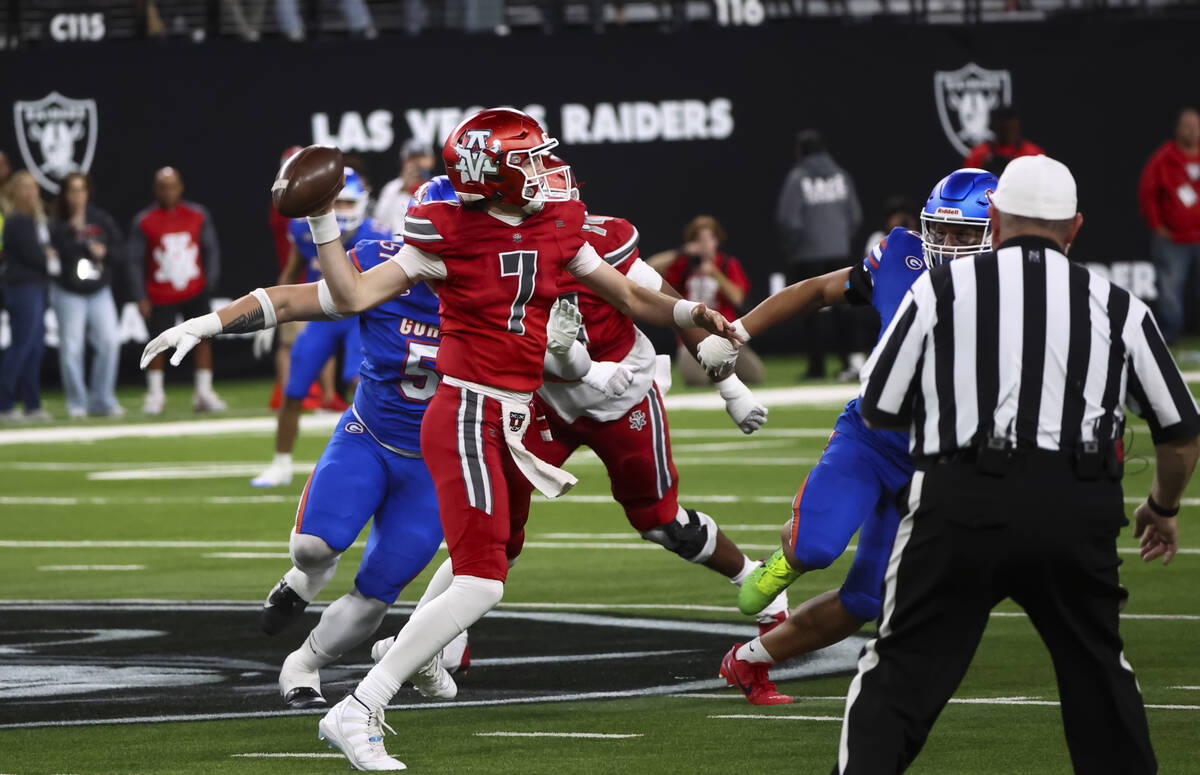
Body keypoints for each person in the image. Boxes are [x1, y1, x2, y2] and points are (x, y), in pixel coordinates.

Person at [141, 107, 741, 771]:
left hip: (501, 416)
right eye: (530, 159)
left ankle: (371, 684)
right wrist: (318, 229)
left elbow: (629, 295)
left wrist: (689, 312)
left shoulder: (559, 223)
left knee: (468, 577)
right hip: (461, 412)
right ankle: (361, 705)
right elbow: (343, 295)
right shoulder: (446, 232)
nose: (545, 169)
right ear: (494, 172)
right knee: (477, 580)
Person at [837, 155, 1199, 773]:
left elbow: (879, 409)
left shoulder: (939, 289)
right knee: (1099, 679)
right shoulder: (1118, 306)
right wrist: (1161, 508)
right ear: (1075, 227)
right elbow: (1182, 434)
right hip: (1076, 506)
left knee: (898, 677)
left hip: (960, 500)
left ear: (996, 220)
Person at [699, 168, 998, 705]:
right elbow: (817, 291)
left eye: (964, 235)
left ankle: (745, 663)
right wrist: (739, 332)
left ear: (998, 231)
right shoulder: (903, 256)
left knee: (866, 600)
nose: (948, 246)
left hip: (938, 464)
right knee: (815, 547)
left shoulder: (1022, 289)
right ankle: (790, 551)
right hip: (871, 437)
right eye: (942, 231)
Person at [251, 168, 389, 488]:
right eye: (336, 203)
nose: (341, 211)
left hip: (362, 318)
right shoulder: (304, 229)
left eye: (348, 203)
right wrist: (268, 314)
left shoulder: (378, 234)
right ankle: (281, 463)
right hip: (323, 317)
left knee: (361, 384)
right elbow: (292, 271)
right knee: (294, 387)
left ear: (362, 203)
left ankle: (376, 461)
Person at [130, 167, 225, 415]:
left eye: (172, 185)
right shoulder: (144, 221)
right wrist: (140, 295)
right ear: (156, 189)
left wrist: (209, 283)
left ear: (180, 187)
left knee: (203, 339)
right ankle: (155, 394)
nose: (168, 191)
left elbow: (211, 249)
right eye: (163, 186)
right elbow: (134, 260)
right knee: (159, 342)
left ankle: (204, 392)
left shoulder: (197, 215)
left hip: (194, 288)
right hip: (160, 292)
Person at [776, 129, 863, 379]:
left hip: (807, 256)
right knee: (844, 308)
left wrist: (794, 247)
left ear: (800, 152)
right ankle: (851, 362)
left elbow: (788, 220)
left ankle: (817, 367)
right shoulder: (841, 176)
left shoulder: (798, 178)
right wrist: (840, 239)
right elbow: (855, 215)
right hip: (839, 254)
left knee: (810, 311)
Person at [647, 215, 763, 387]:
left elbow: (738, 297)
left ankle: (719, 367)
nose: (705, 244)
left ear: (717, 240)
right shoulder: (684, 264)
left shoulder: (726, 264)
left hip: (725, 335)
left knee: (755, 375)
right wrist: (681, 252)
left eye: (709, 239)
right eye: (699, 240)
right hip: (693, 336)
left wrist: (715, 274)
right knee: (697, 380)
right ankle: (716, 369)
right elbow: (650, 267)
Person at [48, 172, 126, 418]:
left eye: (81, 189)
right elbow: (50, 254)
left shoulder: (100, 219)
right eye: (72, 190)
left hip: (98, 290)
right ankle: (77, 403)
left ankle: (102, 400)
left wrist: (104, 252)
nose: (77, 195)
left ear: (88, 192)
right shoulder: (55, 222)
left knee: (110, 342)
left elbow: (120, 251)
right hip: (68, 292)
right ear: (65, 194)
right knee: (72, 348)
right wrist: (71, 233)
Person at [1139, 107, 1200, 345]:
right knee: (1170, 291)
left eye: (1196, 125)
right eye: (1187, 125)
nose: (1192, 131)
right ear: (1177, 129)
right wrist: (1156, 224)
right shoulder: (1164, 158)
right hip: (1174, 239)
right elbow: (1147, 192)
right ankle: (1169, 335)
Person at [0, 171, 55, 421]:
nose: (30, 193)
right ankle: (4, 405)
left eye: (33, 188)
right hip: (22, 289)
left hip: (35, 288)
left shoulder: (34, 221)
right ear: (14, 193)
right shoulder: (15, 222)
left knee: (34, 348)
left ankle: (32, 405)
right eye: (24, 188)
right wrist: (50, 258)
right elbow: (34, 257)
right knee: (21, 346)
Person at [374, 138, 435, 235]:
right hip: (397, 243)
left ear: (431, 160)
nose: (417, 162)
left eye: (421, 157)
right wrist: (402, 190)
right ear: (404, 162)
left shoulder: (440, 186)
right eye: (412, 158)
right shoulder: (393, 187)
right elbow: (380, 222)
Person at [963, 106, 1045, 174]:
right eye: (1003, 129)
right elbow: (966, 186)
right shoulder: (978, 154)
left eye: (1011, 129)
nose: (1007, 133)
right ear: (995, 127)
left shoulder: (1034, 155)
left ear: (1018, 126)